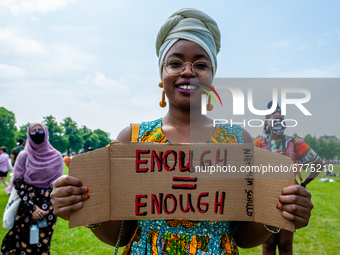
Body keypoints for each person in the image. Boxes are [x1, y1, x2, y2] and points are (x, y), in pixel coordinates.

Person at [51, 8, 313, 254]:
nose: (188, 71)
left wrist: (278, 215)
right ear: (162, 75)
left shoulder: (237, 141)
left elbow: (242, 237)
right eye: (175, 63)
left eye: (201, 64)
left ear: (211, 77)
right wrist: (84, 207)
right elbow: (122, 234)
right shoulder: (132, 139)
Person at [254, 102, 323, 255]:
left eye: (282, 120)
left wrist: (303, 184)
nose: (279, 124)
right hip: (266, 198)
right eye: (275, 121)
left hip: (289, 198)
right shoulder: (259, 143)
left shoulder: (294, 142)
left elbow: (319, 164)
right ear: (267, 122)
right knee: (268, 243)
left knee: (285, 244)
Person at [1, 123, 63, 255]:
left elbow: (56, 185)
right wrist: (33, 208)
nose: (37, 133)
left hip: (47, 209)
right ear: (29, 134)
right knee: (19, 243)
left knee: (41, 245)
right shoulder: (24, 156)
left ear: (45, 133)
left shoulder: (56, 157)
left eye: (40, 130)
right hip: (26, 205)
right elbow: (18, 182)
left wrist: (45, 209)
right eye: (33, 131)